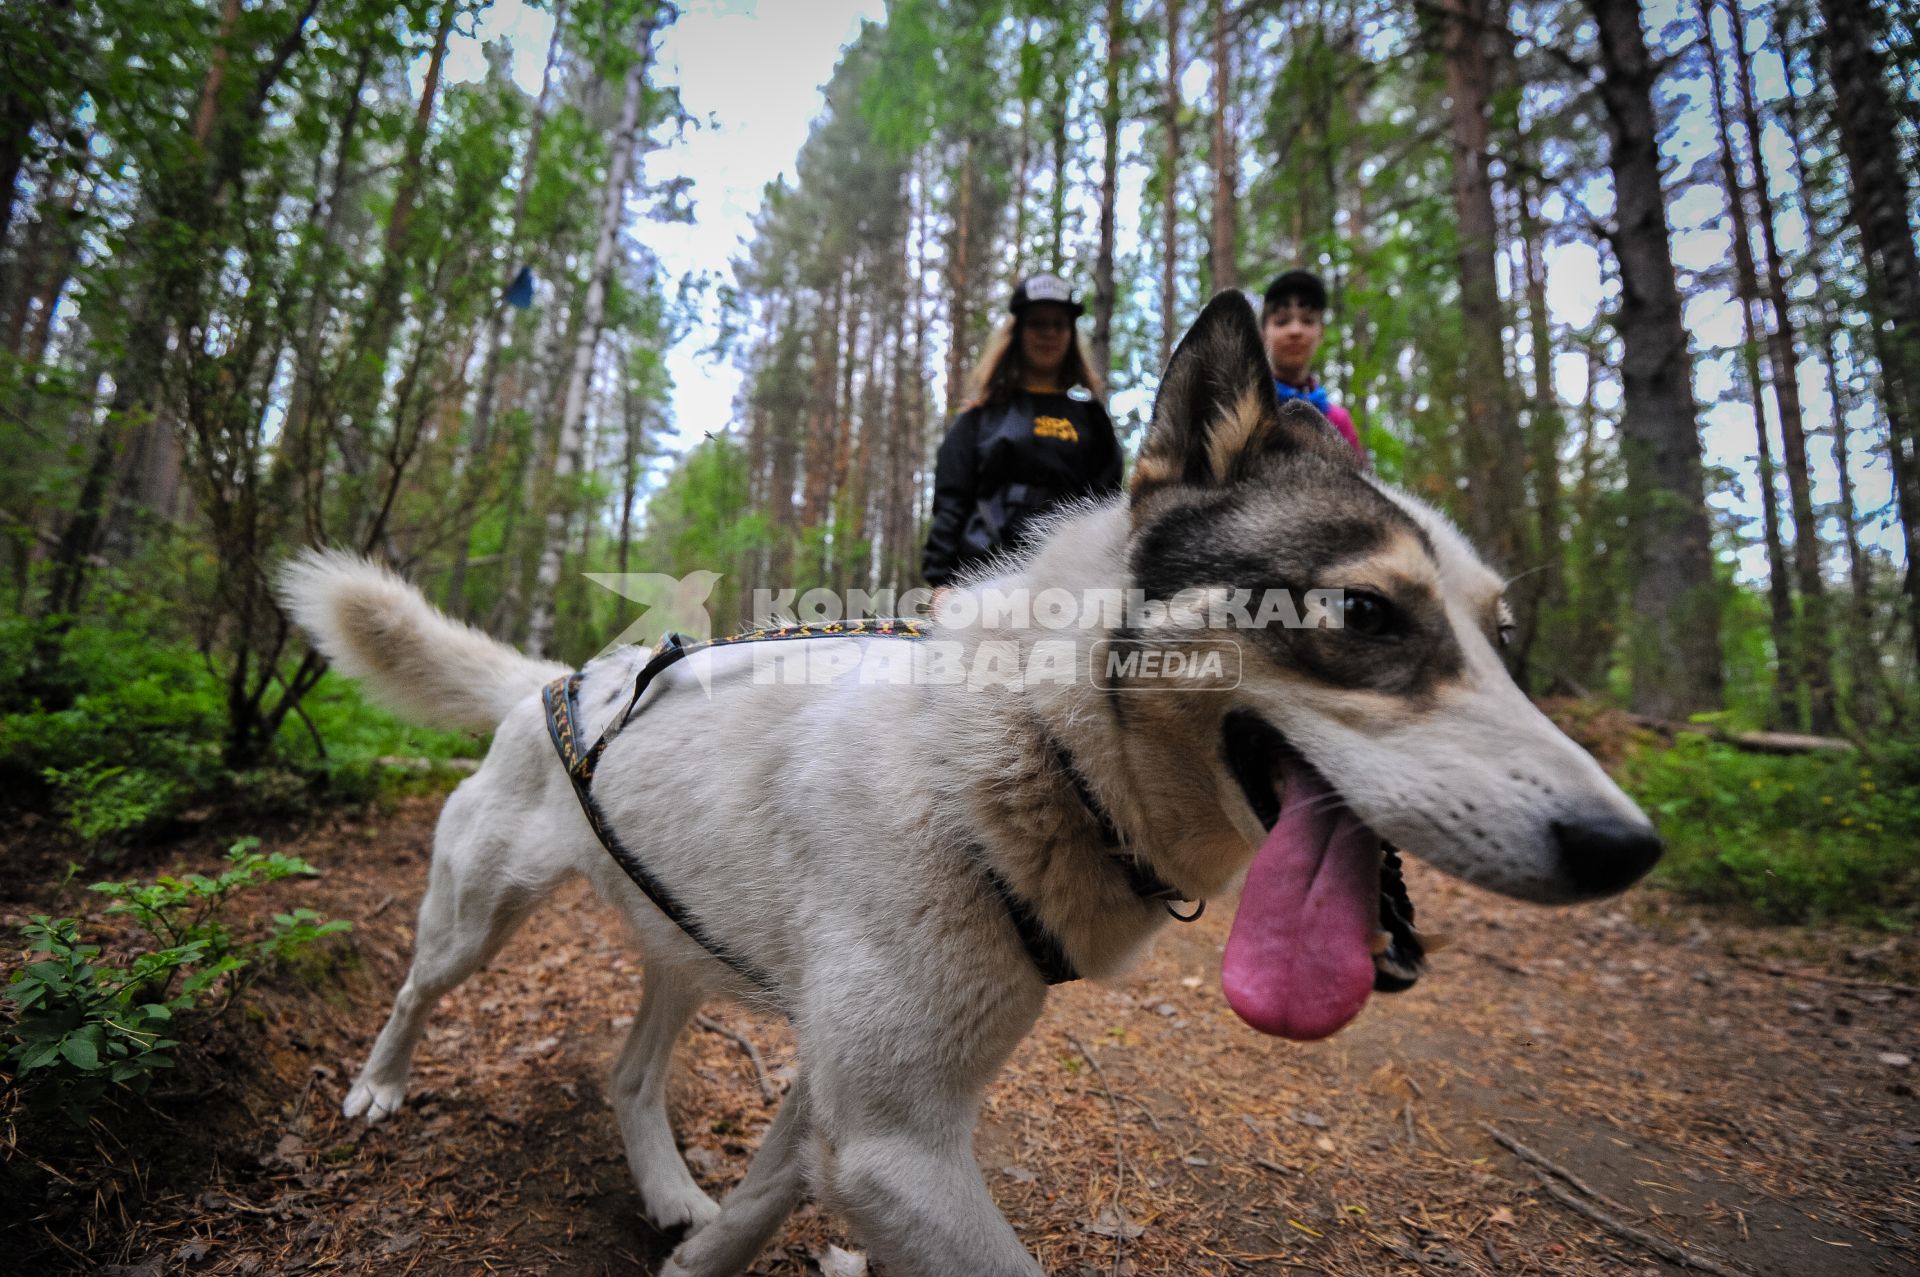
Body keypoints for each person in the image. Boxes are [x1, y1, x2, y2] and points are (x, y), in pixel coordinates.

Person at [923, 274, 1124, 591]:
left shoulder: (1092, 420)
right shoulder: (977, 420)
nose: (1049, 334)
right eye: (1037, 323)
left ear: (1071, 335)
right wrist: (943, 583)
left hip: (1071, 582)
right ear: (1017, 333)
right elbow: (951, 505)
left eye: (1059, 324)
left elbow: (1107, 506)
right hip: (981, 579)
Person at [1260, 269, 1365, 461]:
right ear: (1264, 333)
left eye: (1308, 321)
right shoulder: (1248, 411)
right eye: (1282, 322)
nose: (1295, 331)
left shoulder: (1338, 421)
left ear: (1321, 333)